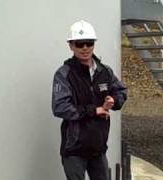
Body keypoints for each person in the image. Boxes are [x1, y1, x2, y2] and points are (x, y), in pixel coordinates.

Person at [52, 20, 127, 180]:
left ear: (94, 44)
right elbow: (60, 107)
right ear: (71, 46)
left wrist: (113, 100)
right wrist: (95, 110)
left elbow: (121, 91)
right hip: (74, 150)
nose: (85, 47)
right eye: (79, 44)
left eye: (89, 43)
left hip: (98, 148)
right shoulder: (64, 74)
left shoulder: (105, 71)